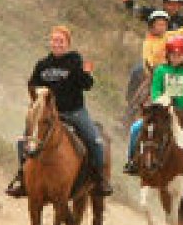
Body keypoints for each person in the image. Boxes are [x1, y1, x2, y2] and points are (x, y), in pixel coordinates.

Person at [6, 24, 111, 197]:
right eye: (54, 40)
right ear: (50, 42)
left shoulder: (75, 60)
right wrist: (37, 96)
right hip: (47, 115)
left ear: (67, 43)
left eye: (61, 41)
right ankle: (22, 178)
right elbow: (32, 84)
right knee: (23, 141)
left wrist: (87, 74)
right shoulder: (42, 64)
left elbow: (87, 85)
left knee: (95, 141)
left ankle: (99, 179)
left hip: (73, 111)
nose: (57, 44)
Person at [125, 35, 183, 182]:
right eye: (173, 54)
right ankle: (132, 161)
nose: (176, 58)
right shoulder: (160, 71)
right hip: (163, 112)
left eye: (179, 55)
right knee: (135, 128)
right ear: (168, 55)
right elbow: (155, 90)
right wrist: (160, 101)